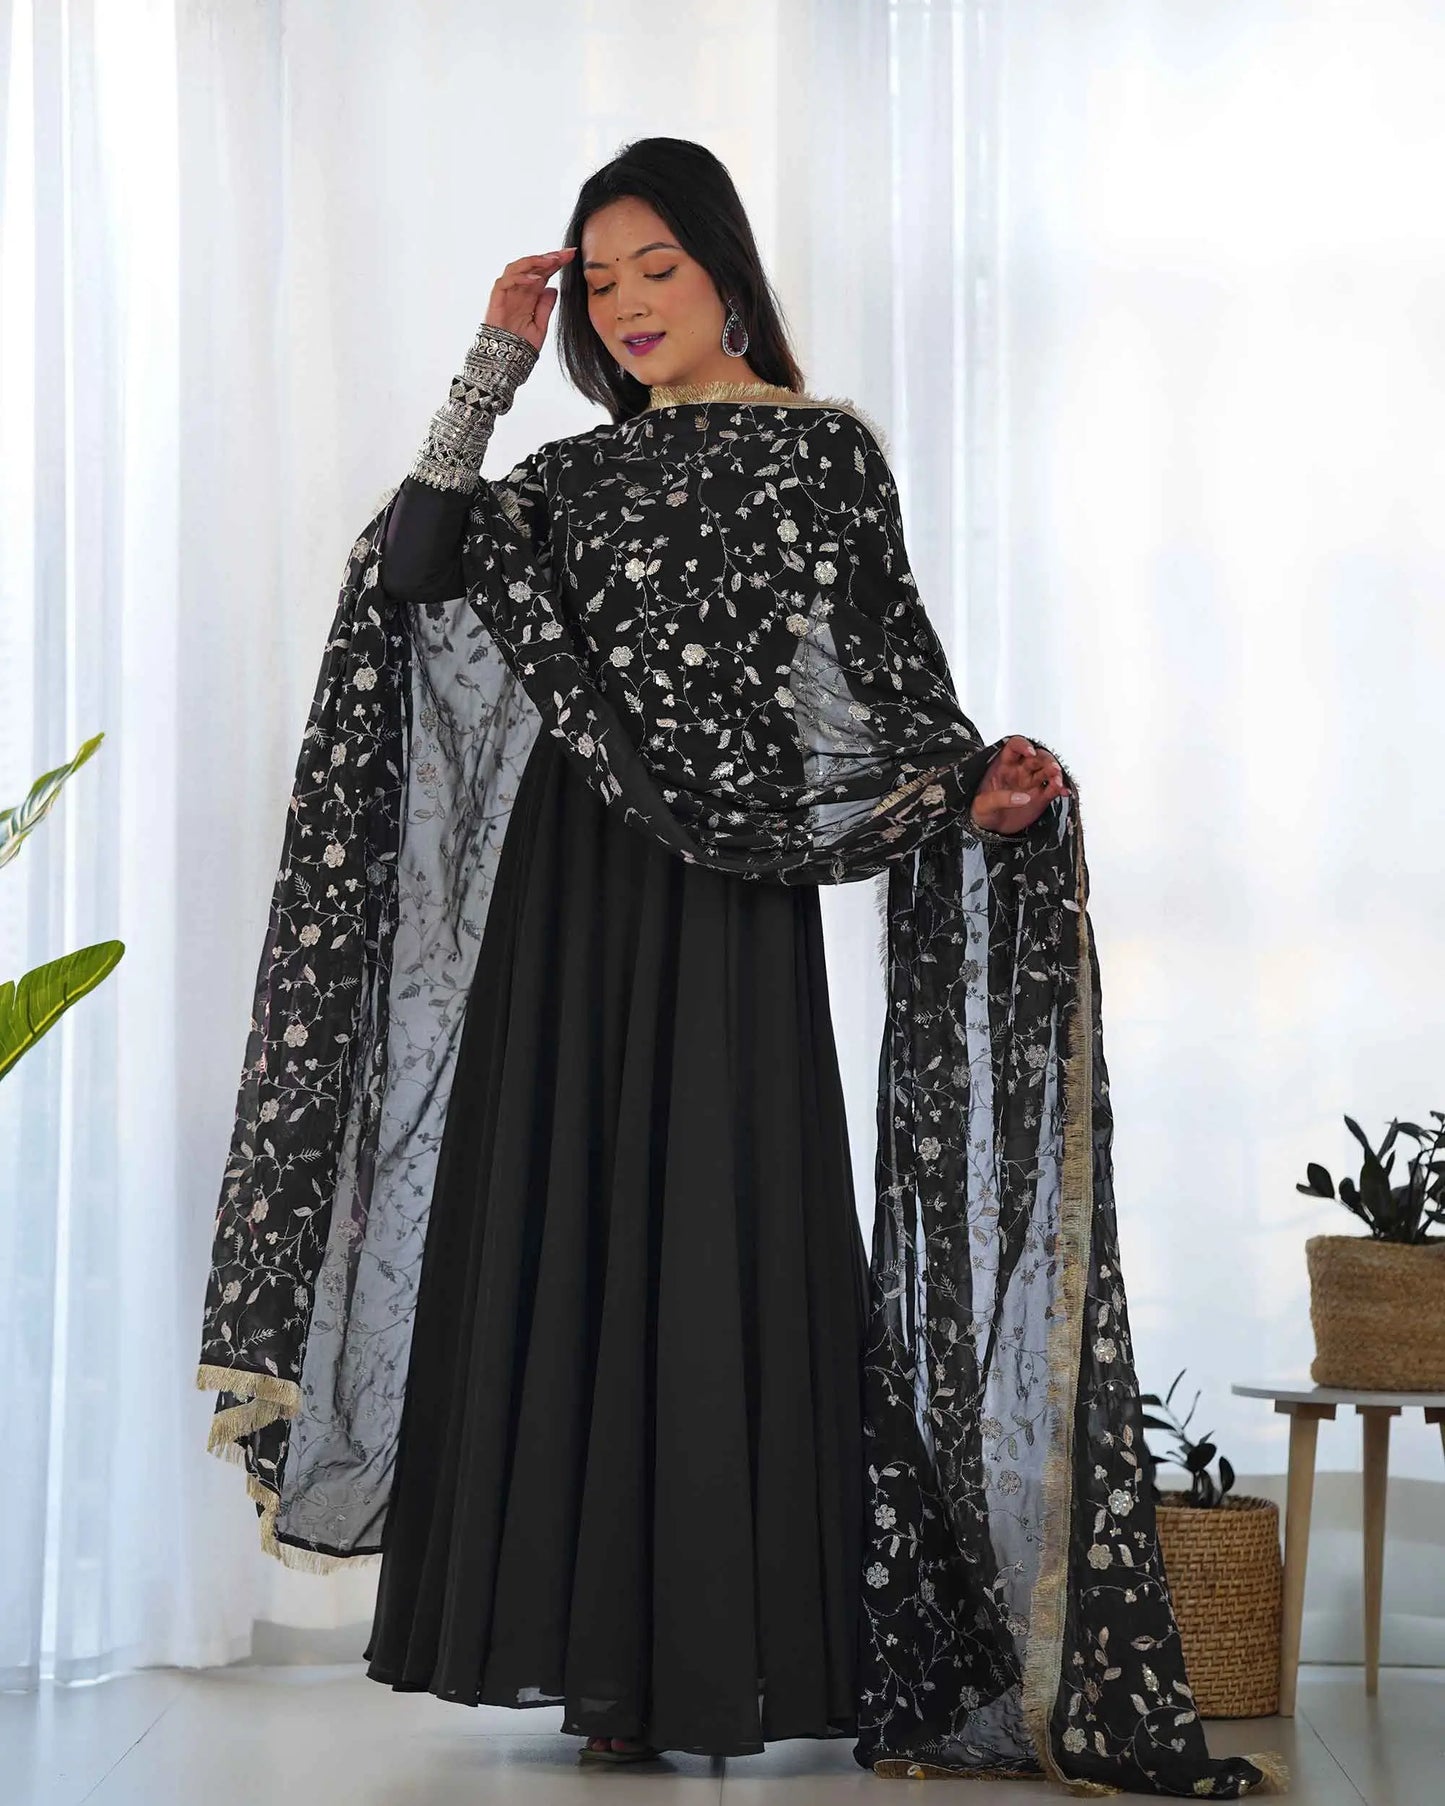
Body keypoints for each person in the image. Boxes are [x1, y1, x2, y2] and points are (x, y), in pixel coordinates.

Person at [197, 136, 1284, 1796]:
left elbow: (884, 683)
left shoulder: (819, 456)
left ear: (726, 271)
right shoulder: (567, 477)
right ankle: (603, 1670)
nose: (628, 305)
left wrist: (967, 789)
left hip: (724, 908)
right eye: (599, 281)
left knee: (715, 1245)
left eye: (658, 268)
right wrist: (490, 364)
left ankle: (720, 1651)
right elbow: (410, 566)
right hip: (564, 912)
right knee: (567, 1246)